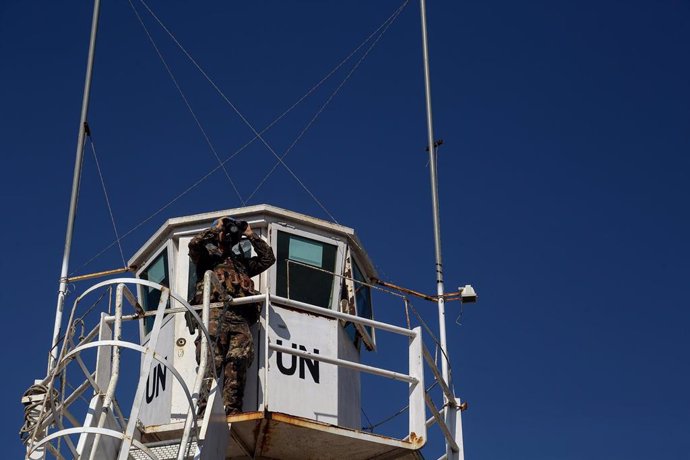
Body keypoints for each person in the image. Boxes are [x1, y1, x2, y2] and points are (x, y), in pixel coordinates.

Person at [188, 217, 275, 415]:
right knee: (211, 361)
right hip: (213, 316)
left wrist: (251, 235)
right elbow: (194, 244)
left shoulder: (242, 265)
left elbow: (268, 259)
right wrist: (215, 228)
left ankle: (232, 409)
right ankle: (203, 410)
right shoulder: (206, 258)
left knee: (238, 361)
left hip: (239, 319)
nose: (227, 235)